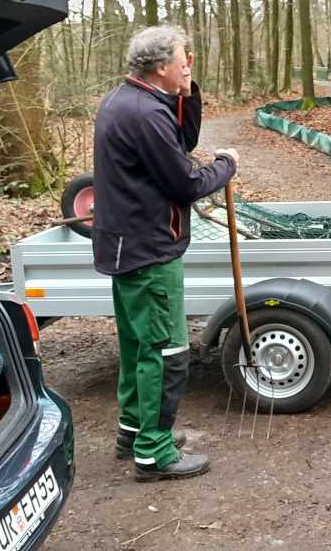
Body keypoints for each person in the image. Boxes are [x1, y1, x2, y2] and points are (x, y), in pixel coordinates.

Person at [92, 25, 239, 482]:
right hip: (150, 250)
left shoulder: (130, 100)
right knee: (165, 351)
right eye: (182, 61)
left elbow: (182, 144)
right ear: (160, 67)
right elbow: (186, 182)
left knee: (138, 346)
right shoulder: (144, 113)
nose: (187, 65)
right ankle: (154, 452)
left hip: (127, 246)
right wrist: (227, 166)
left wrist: (189, 91)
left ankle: (133, 431)